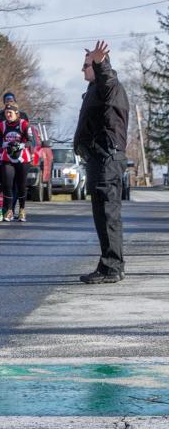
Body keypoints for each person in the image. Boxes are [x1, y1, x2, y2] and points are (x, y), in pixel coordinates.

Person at [74, 40, 129, 284]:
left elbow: (107, 80)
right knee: (102, 215)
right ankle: (109, 264)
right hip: (99, 159)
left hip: (107, 158)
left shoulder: (108, 85)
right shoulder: (96, 88)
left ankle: (112, 268)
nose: (83, 69)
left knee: (108, 215)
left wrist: (100, 63)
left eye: (87, 65)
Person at [0, 104, 33, 222]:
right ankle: (9, 210)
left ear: (17, 113)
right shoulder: (2, 125)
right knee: (7, 184)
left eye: (10, 112)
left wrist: (20, 145)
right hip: (7, 157)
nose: (8, 115)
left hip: (22, 158)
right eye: (6, 113)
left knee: (21, 185)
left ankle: (22, 209)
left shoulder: (24, 124)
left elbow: (31, 141)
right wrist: (7, 144)